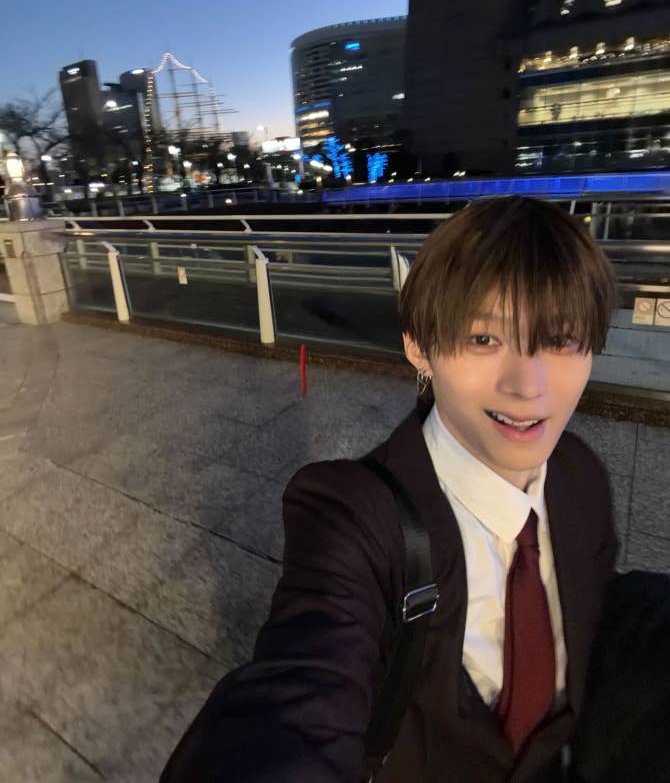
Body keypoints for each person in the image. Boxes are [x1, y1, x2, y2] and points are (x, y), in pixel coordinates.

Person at [161, 196, 620, 782]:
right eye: (484, 339)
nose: (528, 386)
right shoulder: (354, 517)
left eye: (560, 340)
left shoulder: (581, 477)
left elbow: (598, 625)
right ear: (419, 347)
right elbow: (301, 693)